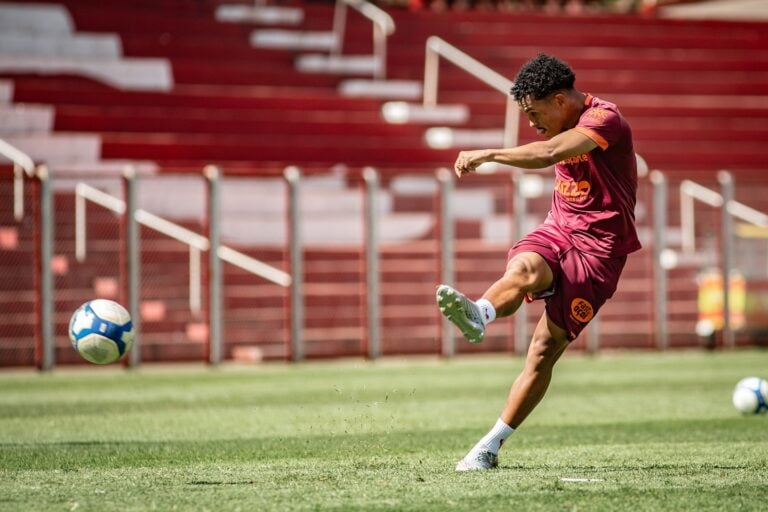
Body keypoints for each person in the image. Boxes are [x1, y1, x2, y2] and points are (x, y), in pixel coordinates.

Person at [436, 53, 641, 471]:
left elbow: (549, 152)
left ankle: (489, 447)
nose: (531, 122)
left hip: (598, 254)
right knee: (525, 270)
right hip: (559, 229)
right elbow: (546, 146)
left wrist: (489, 153)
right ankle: (481, 312)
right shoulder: (565, 116)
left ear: (562, 100)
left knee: (543, 352)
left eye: (534, 112)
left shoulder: (605, 120)